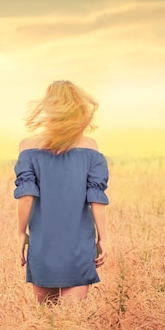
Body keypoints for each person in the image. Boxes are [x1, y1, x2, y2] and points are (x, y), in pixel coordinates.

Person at [14, 80, 109, 304]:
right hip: (78, 243)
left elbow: (26, 196)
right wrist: (103, 237)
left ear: (48, 107)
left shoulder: (27, 147)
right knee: (72, 325)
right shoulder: (91, 147)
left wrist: (20, 233)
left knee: (45, 322)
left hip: (43, 243)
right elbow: (96, 199)